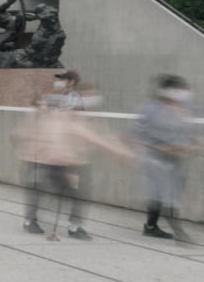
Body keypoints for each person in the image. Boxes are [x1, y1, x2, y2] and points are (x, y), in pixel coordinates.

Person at [15, 89, 131, 239]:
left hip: (64, 165)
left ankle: (75, 226)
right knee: (36, 191)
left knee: (77, 193)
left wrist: (119, 152)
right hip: (39, 162)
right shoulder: (45, 117)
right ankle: (30, 220)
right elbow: (25, 135)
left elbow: (93, 138)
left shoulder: (73, 120)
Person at [133, 75, 201, 241]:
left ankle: (150, 226)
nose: (182, 93)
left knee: (163, 195)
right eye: (178, 89)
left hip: (176, 159)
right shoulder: (151, 109)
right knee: (167, 194)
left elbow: (189, 132)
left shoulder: (186, 108)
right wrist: (159, 147)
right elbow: (139, 135)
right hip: (155, 158)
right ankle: (180, 234)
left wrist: (194, 145)